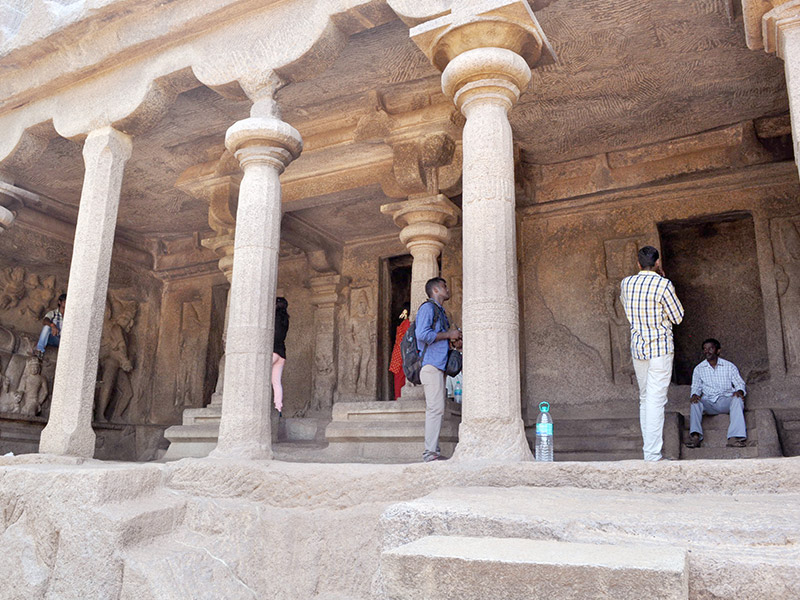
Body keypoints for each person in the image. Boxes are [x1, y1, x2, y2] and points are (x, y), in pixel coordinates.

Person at [620, 246, 684, 461]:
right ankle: (652, 455)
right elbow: (678, 317)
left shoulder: (626, 283)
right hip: (660, 348)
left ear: (638, 264)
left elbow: (626, 307)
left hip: (639, 348)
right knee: (656, 400)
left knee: (645, 398)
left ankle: (650, 452)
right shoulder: (663, 285)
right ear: (657, 263)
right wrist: (665, 284)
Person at [416, 277, 461, 462]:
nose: (447, 289)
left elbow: (437, 338)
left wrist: (452, 340)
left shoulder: (441, 312)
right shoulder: (427, 308)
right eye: (444, 286)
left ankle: (433, 450)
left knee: (438, 409)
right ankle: (429, 453)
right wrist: (448, 334)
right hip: (431, 365)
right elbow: (422, 334)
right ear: (435, 290)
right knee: (435, 409)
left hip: (438, 365)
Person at [685, 338, 747, 448]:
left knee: (738, 399)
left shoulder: (729, 366)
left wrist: (740, 391)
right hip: (708, 402)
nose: (707, 351)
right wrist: (694, 394)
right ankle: (695, 437)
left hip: (725, 401)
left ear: (718, 351)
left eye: (711, 348)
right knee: (695, 403)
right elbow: (696, 386)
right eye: (705, 349)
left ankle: (734, 438)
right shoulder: (699, 369)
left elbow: (739, 383)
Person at [389, 304, 410, 400]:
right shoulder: (406, 323)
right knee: (400, 379)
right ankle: (399, 399)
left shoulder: (403, 323)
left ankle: (398, 398)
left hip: (399, 354)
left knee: (399, 379)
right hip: (402, 355)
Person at [272, 297, 289, 416]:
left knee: (258, 376)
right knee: (276, 382)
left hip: (272, 351)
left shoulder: (274, 318)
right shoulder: (285, 320)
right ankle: (278, 408)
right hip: (282, 354)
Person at [35, 293, 66, 360]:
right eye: (64, 302)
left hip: (64, 341)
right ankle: (39, 350)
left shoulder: (70, 316)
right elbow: (45, 320)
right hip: (54, 338)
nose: (66, 304)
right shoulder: (54, 313)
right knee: (47, 327)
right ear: (59, 302)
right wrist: (52, 325)